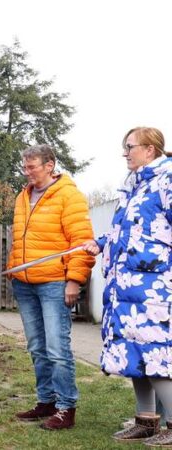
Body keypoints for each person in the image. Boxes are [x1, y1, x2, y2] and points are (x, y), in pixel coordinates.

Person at [81, 127, 172, 445]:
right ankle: (146, 422)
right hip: (124, 287)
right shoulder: (134, 186)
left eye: (130, 147)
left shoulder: (167, 180)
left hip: (153, 287)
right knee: (134, 354)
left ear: (150, 150)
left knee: (157, 355)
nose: (125, 153)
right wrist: (102, 241)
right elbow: (129, 229)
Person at [7, 144, 94, 430]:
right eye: (25, 167)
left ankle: (65, 408)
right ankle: (46, 401)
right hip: (25, 283)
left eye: (32, 167)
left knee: (57, 348)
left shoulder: (69, 195)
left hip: (55, 283)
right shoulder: (23, 196)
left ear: (50, 165)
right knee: (37, 347)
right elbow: (20, 237)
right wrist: (13, 266)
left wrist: (74, 280)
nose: (27, 172)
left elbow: (81, 241)